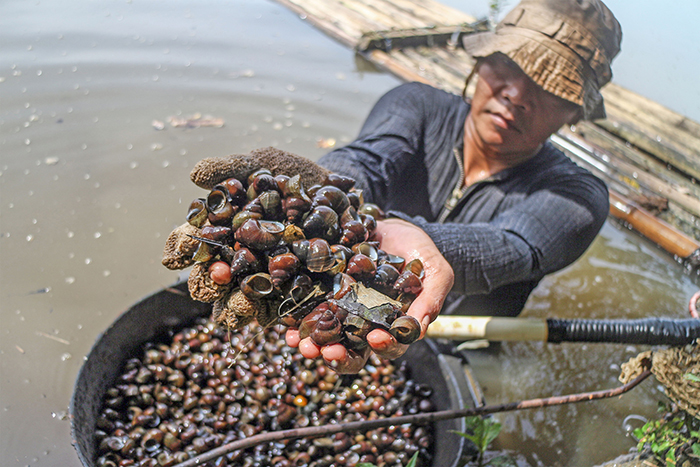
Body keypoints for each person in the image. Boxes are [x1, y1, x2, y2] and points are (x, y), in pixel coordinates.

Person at [284, 0, 623, 373]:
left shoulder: (578, 196)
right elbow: (366, 161)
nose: (517, 95)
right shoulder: (417, 104)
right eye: (509, 64)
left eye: (549, 86)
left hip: (460, 337)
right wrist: (323, 200)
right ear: (481, 61)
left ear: (575, 112)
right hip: (346, 302)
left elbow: (509, 246)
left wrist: (400, 247)